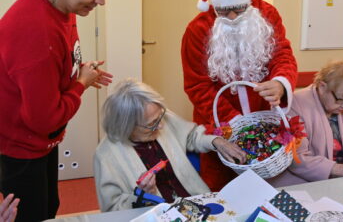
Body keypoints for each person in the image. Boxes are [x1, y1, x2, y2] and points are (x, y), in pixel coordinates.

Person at [0, 0, 145, 219]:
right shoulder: (35, 31)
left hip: (39, 142)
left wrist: (79, 72)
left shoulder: (57, 3)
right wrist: (79, 84)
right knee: (34, 214)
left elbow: (54, 69)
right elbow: (43, 119)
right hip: (20, 148)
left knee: (49, 208)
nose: (101, 1)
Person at [181, 0, 297, 191]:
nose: (233, 17)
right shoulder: (197, 30)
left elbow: (282, 54)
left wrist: (280, 83)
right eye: (224, 10)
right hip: (220, 126)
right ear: (214, 5)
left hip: (264, 121)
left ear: (249, 1)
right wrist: (234, 123)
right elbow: (197, 87)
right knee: (222, 191)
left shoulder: (267, 14)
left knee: (266, 190)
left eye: (240, 9)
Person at [93, 79, 246, 211]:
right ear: (127, 126)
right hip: (157, 215)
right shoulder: (106, 155)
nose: (160, 127)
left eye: (160, 118)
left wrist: (215, 141)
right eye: (152, 124)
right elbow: (112, 210)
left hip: (196, 203)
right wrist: (143, 195)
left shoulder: (159, 117)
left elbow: (192, 136)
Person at [268, 59, 343, 187]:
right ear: (322, 87)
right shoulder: (294, 104)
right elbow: (297, 159)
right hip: (304, 185)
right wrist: (340, 169)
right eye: (341, 99)